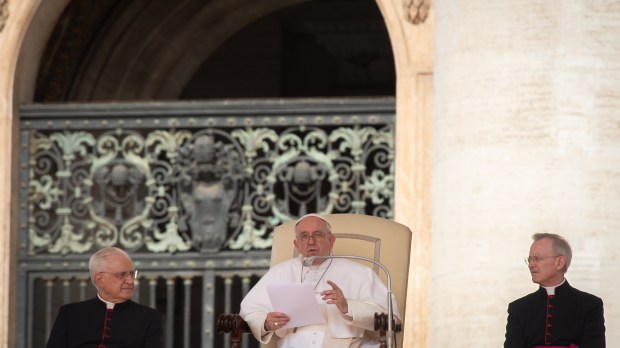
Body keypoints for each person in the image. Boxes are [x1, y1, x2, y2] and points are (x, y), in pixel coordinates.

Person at [240, 213, 399, 348]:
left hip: (347, 344)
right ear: (297, 244)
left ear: (331, 240)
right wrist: (266, 323)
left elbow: (392, 318)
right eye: (304, 236)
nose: (310, 241)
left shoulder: (359, 272)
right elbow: (249, 309)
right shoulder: (280, 272)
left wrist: (347, 306)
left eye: (317, 235)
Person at [46, 247, 164, 348]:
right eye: (122, 275)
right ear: (99, 279)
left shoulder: (149, 318)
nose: (130, 281)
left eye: (132, 274)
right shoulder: (70, 314)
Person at [504, 233, 606, 348]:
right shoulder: (518, 308)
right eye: (530, 259)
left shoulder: (590, 305)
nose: (531, 265)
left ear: (560, 262)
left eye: (537, 259)